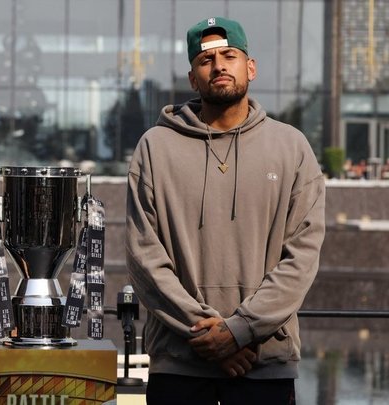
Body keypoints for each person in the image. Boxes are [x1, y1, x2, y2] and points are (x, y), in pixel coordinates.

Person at [126, 17, 325, 404]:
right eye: (206, 60)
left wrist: (239, 331)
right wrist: (210, 335)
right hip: (179, 364)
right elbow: (143, 257)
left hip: (263, 362)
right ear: (192, 78)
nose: (218, 66)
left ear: (250, 68)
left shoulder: (292, 147)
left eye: (229, 56)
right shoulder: (155, 147)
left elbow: (302, 257)